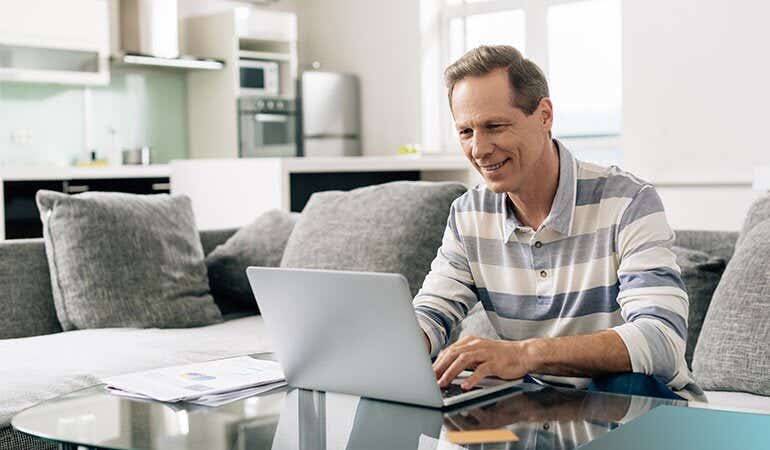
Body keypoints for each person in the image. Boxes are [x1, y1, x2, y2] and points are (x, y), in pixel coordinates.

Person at [413, 45, 704, 401]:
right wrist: (399, 345)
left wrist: (526, 354)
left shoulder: (628, 202)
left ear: (545, 115)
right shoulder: (467, 215)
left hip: (641, 406)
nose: (479, 149)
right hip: (534, 411)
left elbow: (662, 341)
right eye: (466, 132)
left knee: (623, 385)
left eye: (495, 126)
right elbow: (431, 312)